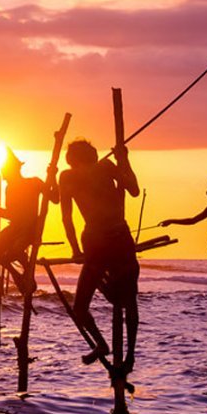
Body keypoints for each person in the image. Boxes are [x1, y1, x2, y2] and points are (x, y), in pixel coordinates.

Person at [59, 139, 140, 371]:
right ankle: (126, 356)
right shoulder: (103, 168)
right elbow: (133, 189)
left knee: (82, 307)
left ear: (72, 159)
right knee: (128, 302)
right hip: (111, 240)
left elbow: (67, 218)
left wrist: (75, 248)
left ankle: (110, 348)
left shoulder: (70, 176)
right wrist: (124, 161)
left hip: (102, 242)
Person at [0, 148, 57, 295]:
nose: (3, 176)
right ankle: (18, 273)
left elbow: (55, 199)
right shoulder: (10, 188)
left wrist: (53, 177)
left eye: (5, 171)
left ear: (13, 170)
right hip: (15, 227)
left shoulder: (34, 182)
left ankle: (25, 267)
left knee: (13, 253)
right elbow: (8, 214)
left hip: (29, 229)